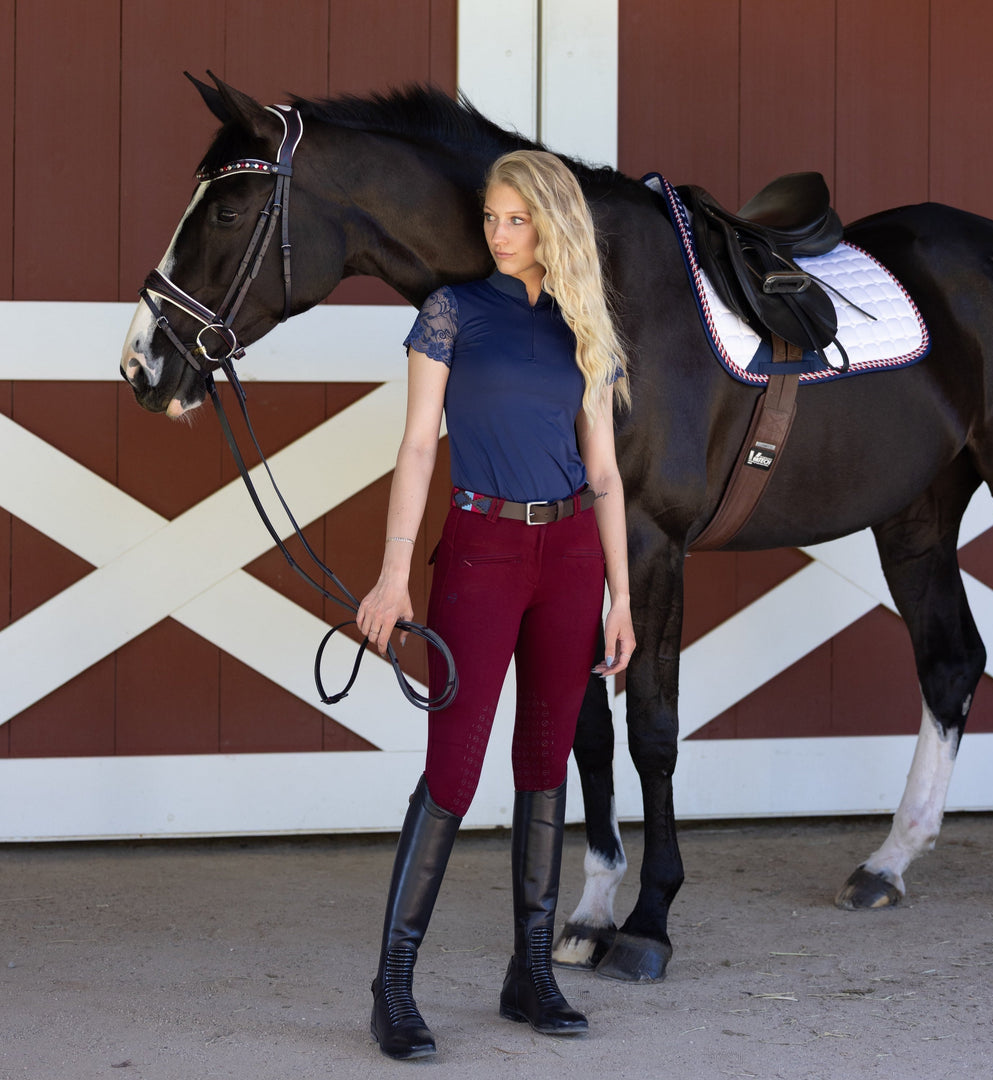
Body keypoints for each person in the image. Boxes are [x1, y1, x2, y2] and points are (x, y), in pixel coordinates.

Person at [356, 148, 635, 1060]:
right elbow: (417, 448)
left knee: (546, 762)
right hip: (482, 548)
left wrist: (621, 597)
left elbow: (604, 471)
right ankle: (393, 986)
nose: (501, 234)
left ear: (554, 222)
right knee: (454, 769)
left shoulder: (583, 324)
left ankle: (532, 973)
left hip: (571, 553)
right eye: (492, 218)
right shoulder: (452, 312)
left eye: (518, 219)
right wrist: (395, 573)